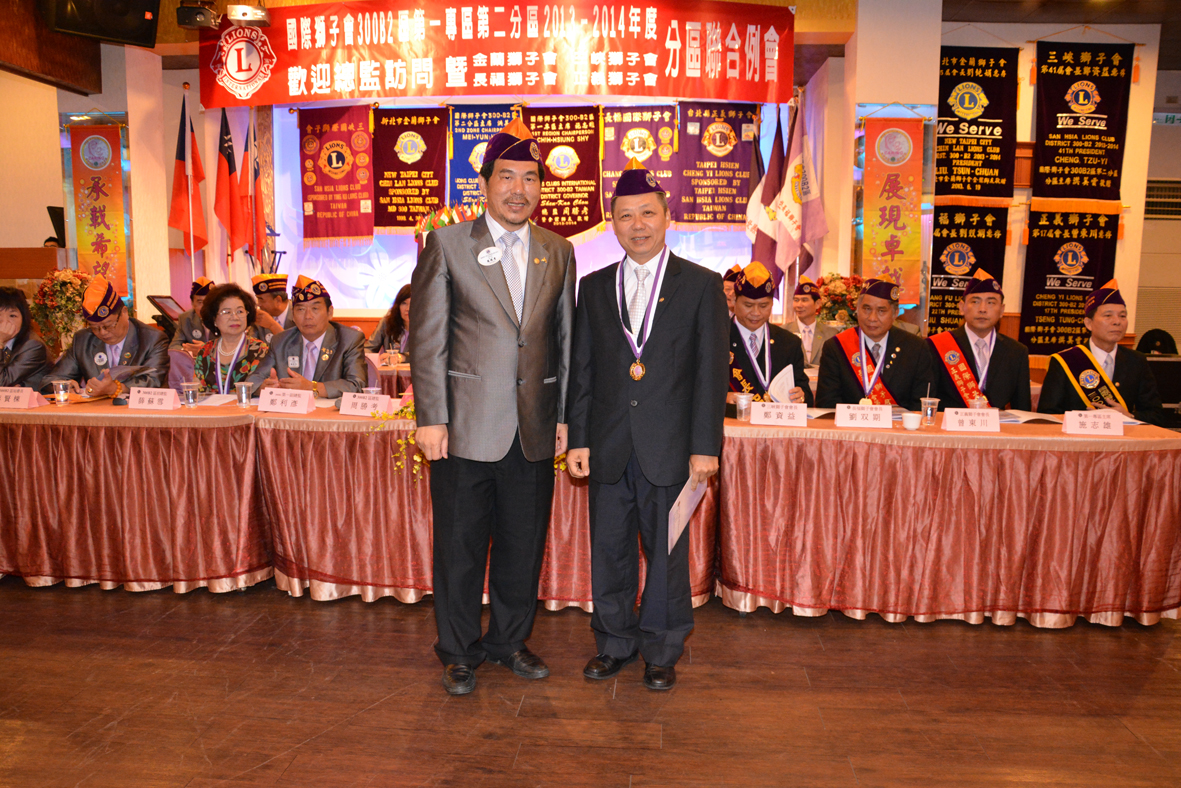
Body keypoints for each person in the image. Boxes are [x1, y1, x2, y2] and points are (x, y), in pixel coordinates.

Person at [410, 117, 577, 696]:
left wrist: (563, 417)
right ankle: (458, 651)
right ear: (484, 183)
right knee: (459, 547)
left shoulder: (558, 250)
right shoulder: (449, 244)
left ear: (540, 187)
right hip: (463, 428)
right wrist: (431, 418)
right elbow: (427, 339)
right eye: (507, 177)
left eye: (530, 178)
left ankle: (509, 641)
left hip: (533, 429)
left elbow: (564, 340)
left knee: (522, 547)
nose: (518, 189)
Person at [566, 158, 729, 692]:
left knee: (666, 554)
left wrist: (705, 446)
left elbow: (710, 372)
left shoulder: (701, 285)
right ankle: (613, 642)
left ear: (666, 217)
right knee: (609, 551)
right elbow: (583, 370)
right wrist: (578, 438)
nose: (637, 225)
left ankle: (661, 649)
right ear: (612, 223)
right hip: (609, 445)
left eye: (647, 213)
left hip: (672, 448)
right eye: (625, 215)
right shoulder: (594, 287)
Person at [1038, 279, 1165, 426]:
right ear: (1089, 323)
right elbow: (1048, 415)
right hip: (1077, 438)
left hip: (1124, 439)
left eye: (1122, 316)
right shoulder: (1065, 361)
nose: (1117, 322)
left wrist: (1129, 416)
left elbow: (1156, 415)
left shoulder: (1136, 361)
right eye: (1108, 315)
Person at [815, 277, 934, 411]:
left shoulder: (915, 348)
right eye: (866, 309)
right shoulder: (836, 347)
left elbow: (921, 404)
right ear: (857, 309)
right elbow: (827, 404)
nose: (872, 318)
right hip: (850, 423)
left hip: (898, 424)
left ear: (895, 313)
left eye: (881, 311)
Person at [42, 275, 169, 395]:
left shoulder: (152, 338)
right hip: (97, 409)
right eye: (94, 327)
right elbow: (50, 380)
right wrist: (65, 385)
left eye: (109, 325)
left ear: (124, 313)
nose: (102, 332)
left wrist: (115, 388)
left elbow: (154, 381)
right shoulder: (83, 340)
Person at [927, 270, 1031, 411]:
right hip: (949, 423)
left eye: (991, 302)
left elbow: (1022, 409)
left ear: (1002, 310)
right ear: (961, 308)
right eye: (975, 301)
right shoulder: (936, 346)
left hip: (997, 425)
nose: (982, 309)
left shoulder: (1017, 352)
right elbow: (927, 401)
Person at [248, 276, 367, 398]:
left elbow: (357, 385)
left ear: (330, 312)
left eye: (315, 308)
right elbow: (252, 381)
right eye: (301, 309)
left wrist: (312, 387)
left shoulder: (349, 340)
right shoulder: (280, 341)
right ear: (293, 315)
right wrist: (264, 387)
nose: (308, 316)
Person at [728, 261, 812, 405]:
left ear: (772, 303)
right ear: (734, 301)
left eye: (763, 306)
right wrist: (722, 397)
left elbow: (805, 395)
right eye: (748, 305)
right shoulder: (716, 339)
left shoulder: (789, 343)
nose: (756, 313)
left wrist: (801, 396)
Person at [192, 283, 270, 395]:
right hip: (211, 406)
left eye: (240, 311)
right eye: (227, 312)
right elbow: (199, 392)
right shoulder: (205, 351)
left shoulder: (260, 350)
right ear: (214, 319)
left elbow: (257, 388)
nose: (235, 317)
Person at [0, 286, 51, 390]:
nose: (5, 322)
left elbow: (2, 382)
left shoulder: (33, 346)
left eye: (12, 316)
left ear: (24, 318)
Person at [784, 275, 838, 367]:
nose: (799, 305)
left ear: (817, 304)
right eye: (796, 300)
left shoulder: (831, 334)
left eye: (804, 300)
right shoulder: (784, 332)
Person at [168, 277, 215, 355]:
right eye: (200, 302)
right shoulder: (185, 318)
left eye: (209, 302)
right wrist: (188, 351)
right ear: (192, 304)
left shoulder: (225, 318)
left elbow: (232, 348)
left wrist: (207, 349)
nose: (205, 307)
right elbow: (173, 347)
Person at [367, 284, 411, 364]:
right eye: (404, 303)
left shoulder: (426, 327)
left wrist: (401, 357)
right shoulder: (387, 323)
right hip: (389, 371)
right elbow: (369, 348)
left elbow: (426, 354)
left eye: (412, 303)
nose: (408, 308)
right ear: (398, 306)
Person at [251, 273, 294, 342]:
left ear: (278, 300)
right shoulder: (260, 319)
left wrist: (272, 325)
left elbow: (297, 347)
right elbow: (251, 345)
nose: (258, 304)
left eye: (261, 299)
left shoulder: (299, 315)